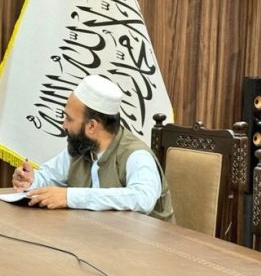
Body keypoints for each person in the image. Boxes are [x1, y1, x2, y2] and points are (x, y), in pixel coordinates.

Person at [12, 75, 174, 222]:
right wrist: (30, 180)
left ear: (91, 126)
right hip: (96, 237)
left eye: (69, 119)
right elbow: (49, 176)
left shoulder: (137, 155)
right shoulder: (80, 148)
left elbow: (142, 198)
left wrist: (71, 197)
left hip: (147, 243)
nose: (64, 125)